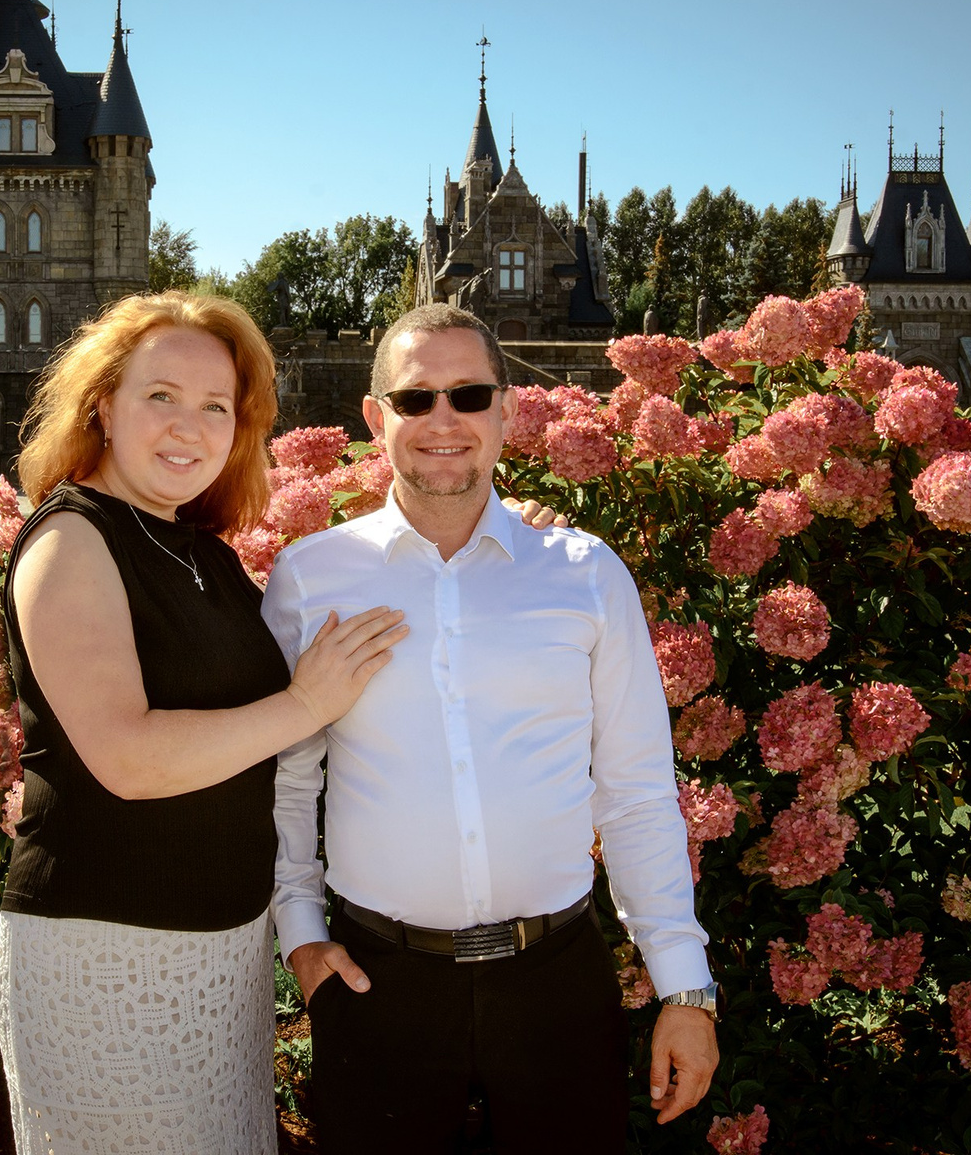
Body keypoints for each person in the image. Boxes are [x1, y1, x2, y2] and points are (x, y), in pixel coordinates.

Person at [0, 291, 562, 1153]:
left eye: (215, 406)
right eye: (161, 395)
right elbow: (125, 757)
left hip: (221, 954)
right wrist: (303, 705)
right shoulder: (73, 540)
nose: (189, 426)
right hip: (103, 950)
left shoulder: (198, 551)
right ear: (102, 404)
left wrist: (510, 547)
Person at [268, 303, 721, 1152]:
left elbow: (635, 793)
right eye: (415, 399)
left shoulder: (585, 574)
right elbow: (286, 780)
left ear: (507, 411)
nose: (443, 420)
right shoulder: (309, 578)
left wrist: (684, 990)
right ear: (375, 417)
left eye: (470, 396)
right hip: (376, 986)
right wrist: (301, 937)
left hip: (558, 984)